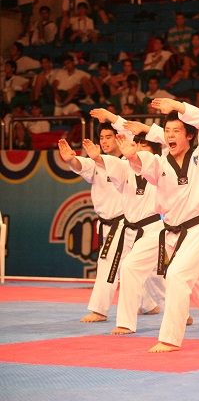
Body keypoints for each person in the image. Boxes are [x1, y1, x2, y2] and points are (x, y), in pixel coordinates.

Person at [117, 98, 199, 352]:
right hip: (171, 234)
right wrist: (131, 156)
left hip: (198, 230)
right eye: (167, 131)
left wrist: (178, 106)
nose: (170, 135)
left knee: (177, 275)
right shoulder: (159, 162)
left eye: (176, 131)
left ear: (189, 135)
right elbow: (142, 163)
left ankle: (170, 338)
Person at [85, 108, 169, 335]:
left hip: (153, 228)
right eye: (136, 146)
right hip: (130, 228)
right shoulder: (124, 166)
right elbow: (110, 163)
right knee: (151, 274)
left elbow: (164, 141)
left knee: (136, 269)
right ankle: (167, 309)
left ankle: (127, 321)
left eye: (144, 147)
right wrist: (96, 157)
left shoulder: (162, 165)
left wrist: (114, 119)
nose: (138, 149)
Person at [57, 125, 124, 323]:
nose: (104, 141)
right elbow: (82, 164)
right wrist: (71, 160)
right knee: (138, 268)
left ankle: (100, 310)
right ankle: (149, 304)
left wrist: (97, 158)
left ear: (118, 138)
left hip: (125, 223)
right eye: (101, 137)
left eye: (109, 137)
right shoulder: (95, 164)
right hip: (107, 224)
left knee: (110, 264)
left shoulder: (128, 163)